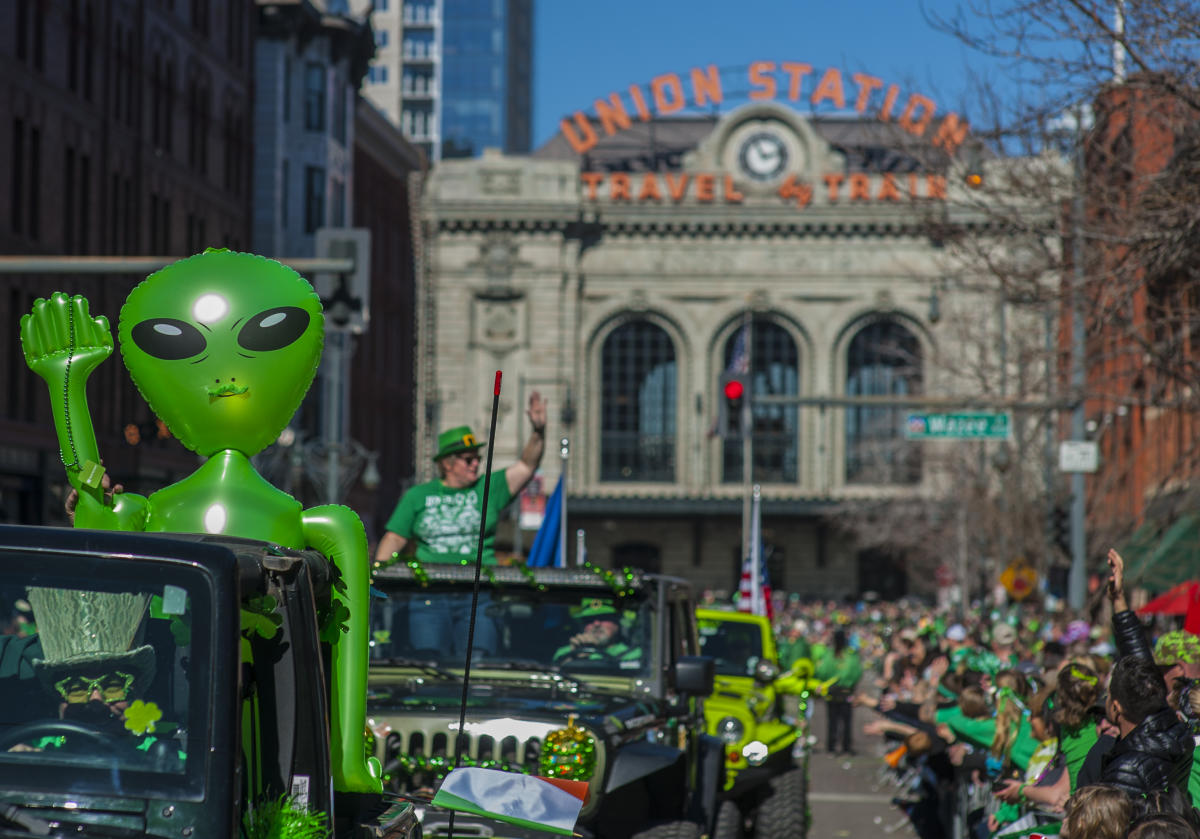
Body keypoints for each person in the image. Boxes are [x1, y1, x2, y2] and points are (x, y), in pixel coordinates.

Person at [374, 393, 547, 659]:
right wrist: (380, 579)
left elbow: (526, 465)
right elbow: (395, 538)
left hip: (477, 594)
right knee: (428, 660)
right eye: (468, 459)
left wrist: (538, 430)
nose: (476, 463)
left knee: (477, 660)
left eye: (477, 458)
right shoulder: (418, 495)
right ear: (447, 463)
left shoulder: (489, 488)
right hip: (429, 592)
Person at [553, 599, 641, 664]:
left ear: (617, 622)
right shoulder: (565, 653)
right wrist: (576, 656)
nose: (596, 624)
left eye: (603, 617)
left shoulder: (634, 654)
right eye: (589, 620)